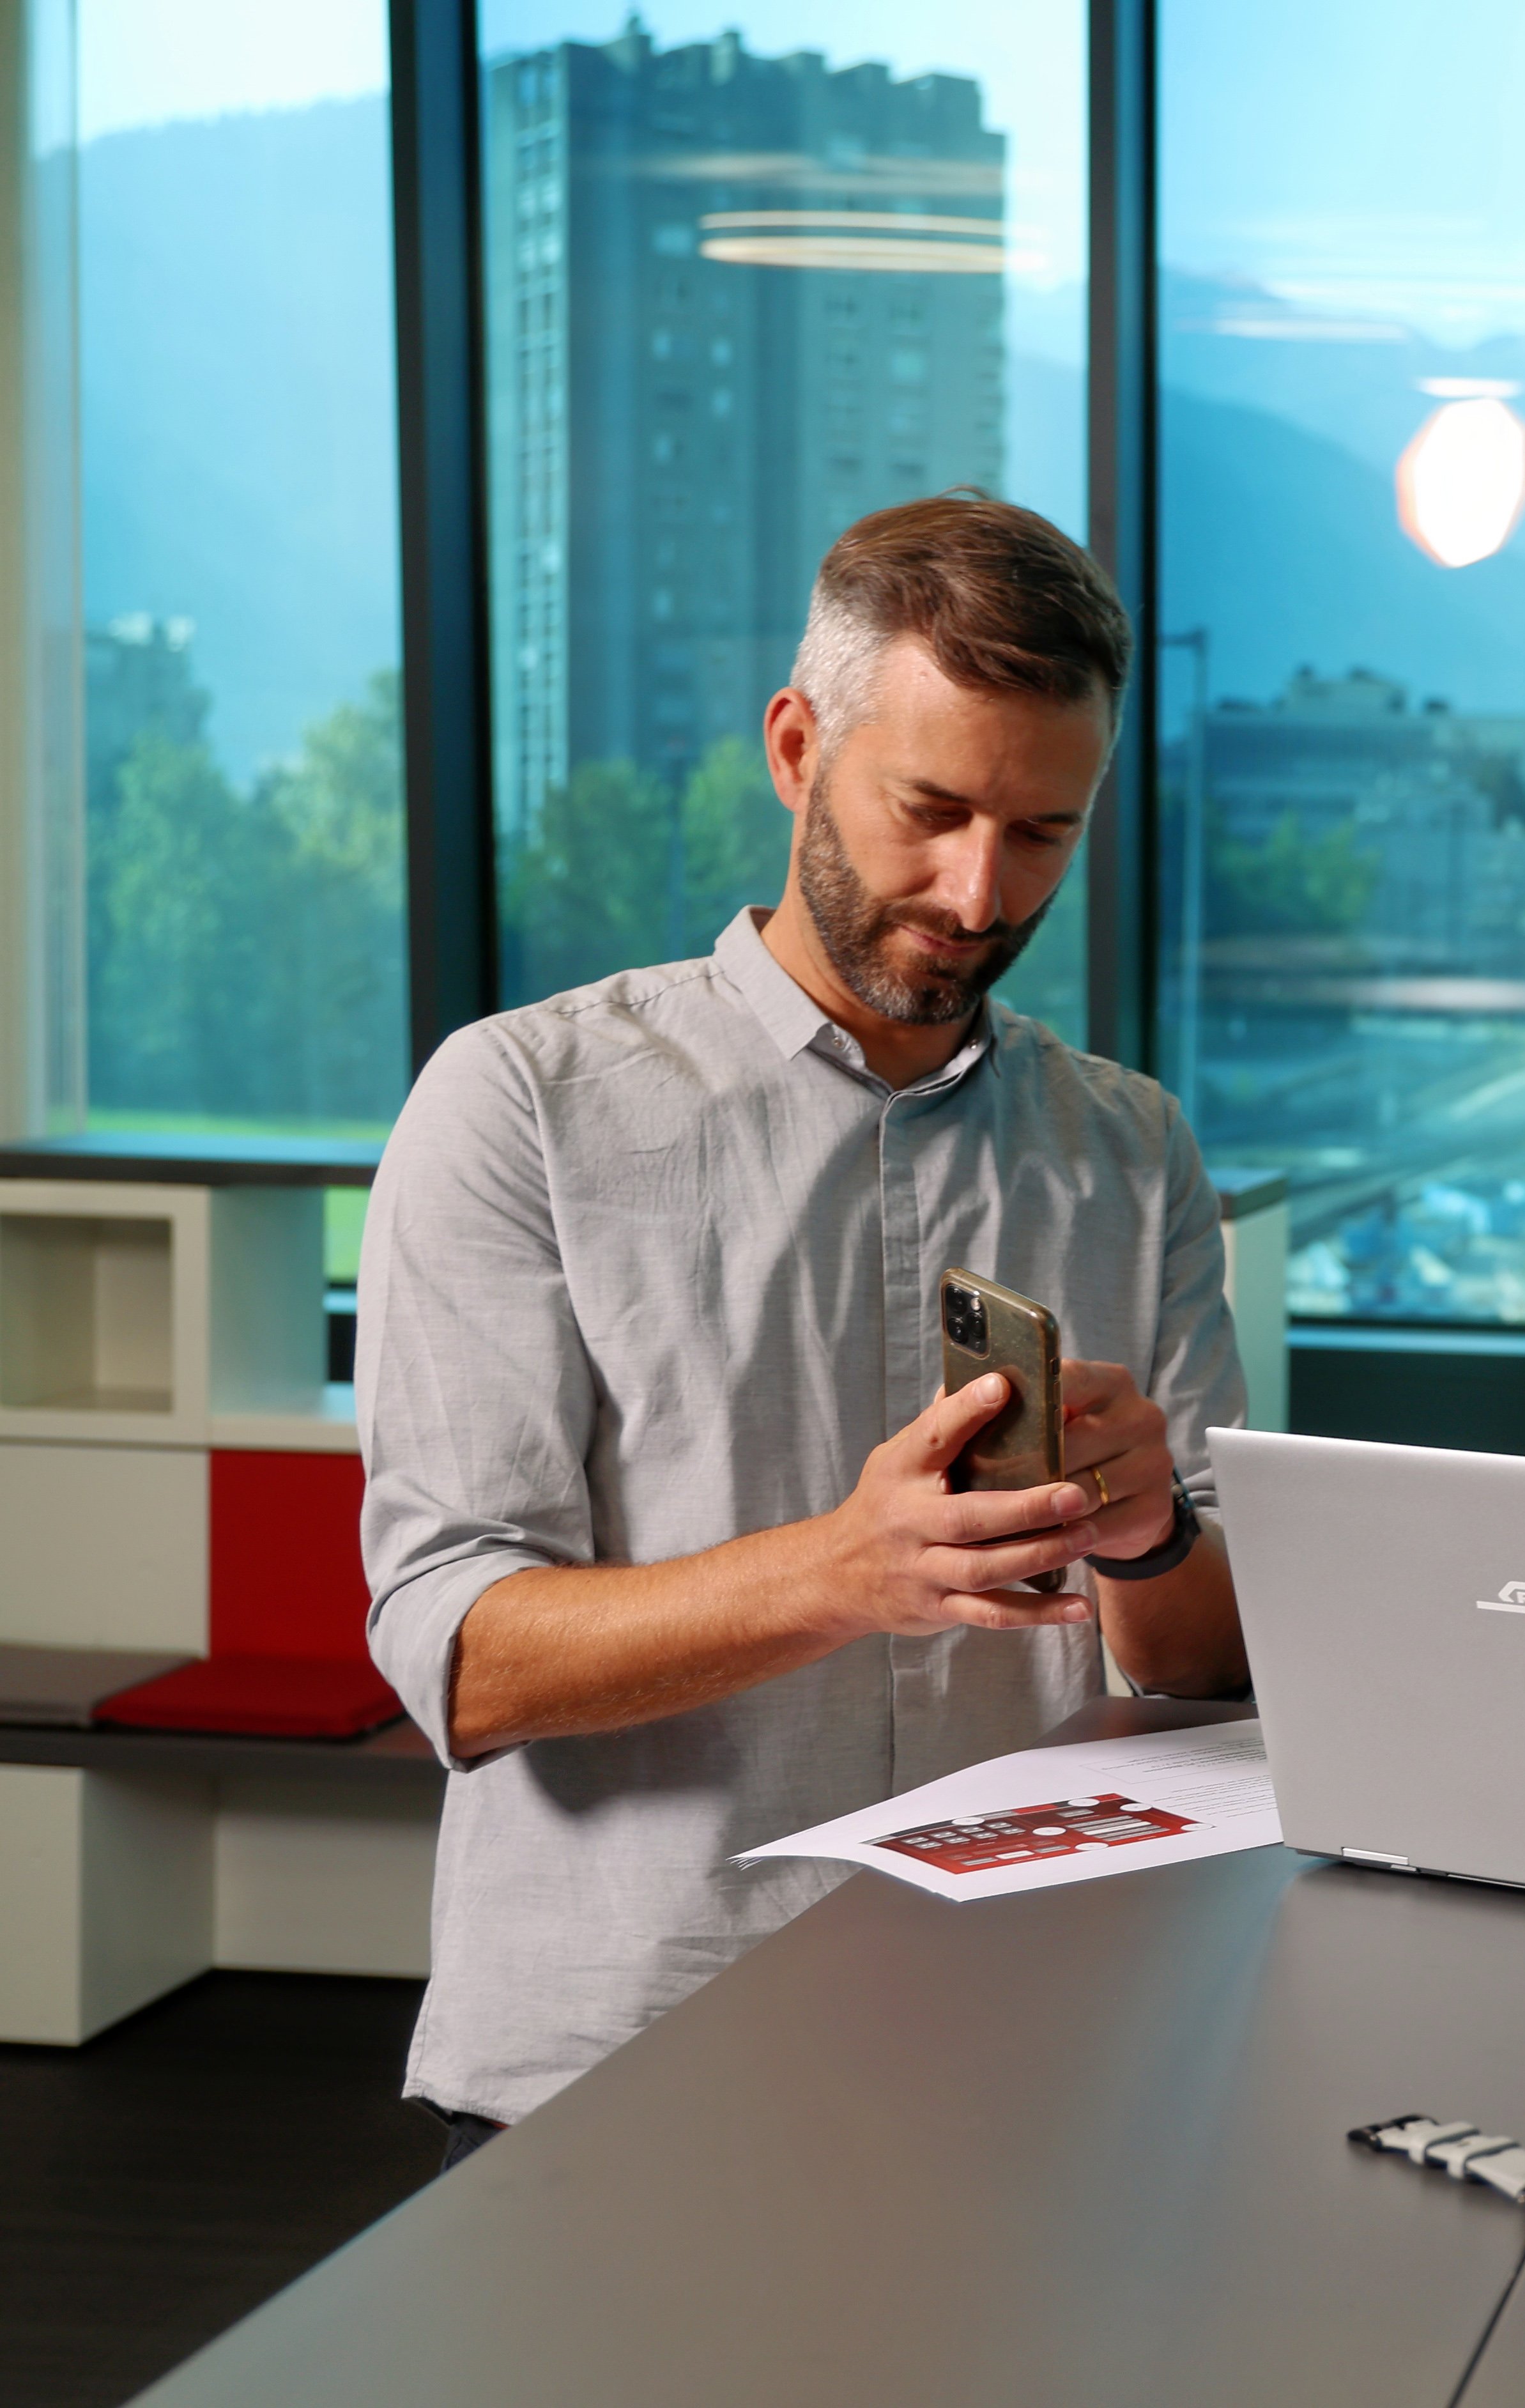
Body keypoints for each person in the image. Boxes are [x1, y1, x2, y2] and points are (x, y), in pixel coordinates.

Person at [359, 495, 1250, 2157]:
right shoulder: (523, 1106)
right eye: (932, 809)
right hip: (616, 2071)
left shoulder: (1133, 1147)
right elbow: (463, 1663)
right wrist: (846, 1572)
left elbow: (1207, 1670)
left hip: (1032, 2047)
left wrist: (1148, 1534)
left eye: (1042, 833)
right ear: (794, 747)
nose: (981, 890)